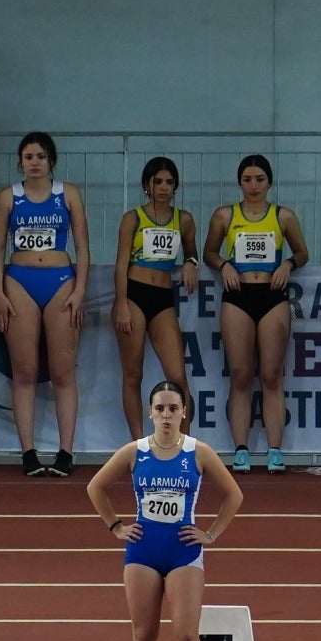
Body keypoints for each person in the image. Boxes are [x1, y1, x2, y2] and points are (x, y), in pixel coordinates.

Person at [86, 381, 243, 641]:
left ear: (184, 412)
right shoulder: (135, 452)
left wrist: (211, 533)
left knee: (187, 635)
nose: (167, 415)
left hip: (184, 552)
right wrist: (115, 526)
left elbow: (234, 494)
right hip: (142, 551)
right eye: (161, 409)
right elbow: (95, 486)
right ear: (151, 412)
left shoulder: (197, 452)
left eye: (174, 408)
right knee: (144, 637)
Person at [0, 131, 90, 476]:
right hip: (19, 281)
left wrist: (80, 290)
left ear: (51, 160)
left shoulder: (69, 194)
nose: (34, 162)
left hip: (62, 282)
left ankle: (65, 452)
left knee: (63, 372)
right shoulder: (7, 197)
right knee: (25, 372)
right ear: (20, 161)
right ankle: (28, 452)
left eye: (40, 156)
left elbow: (83, 247)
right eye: (28, 157)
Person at [203, 154, 310, 475]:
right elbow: (208, 250)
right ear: (240, 182)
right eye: (248, 180)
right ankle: (241, 449)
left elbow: (302, 251)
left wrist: (288, 264)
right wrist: (223, 264)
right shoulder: (225, 215)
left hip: (272, 296)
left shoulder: (283, 216)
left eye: (259, 179)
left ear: (269, 182)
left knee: (272, 375)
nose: (253, 186)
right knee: (239, 374)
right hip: (237, 297)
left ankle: (275, 450)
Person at [112, 157, 199, 440]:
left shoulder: (183, 219)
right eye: (158, 181)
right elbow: (121, 264)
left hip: (163, 298)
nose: (163, 187)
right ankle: (138, 443)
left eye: (169, 182)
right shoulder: (133, 218)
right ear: (147, 185)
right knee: (132, 374)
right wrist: (122, 303)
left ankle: (182, 444)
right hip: (134, 295)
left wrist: (190, 262)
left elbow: (191, 252)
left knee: (178, 378)